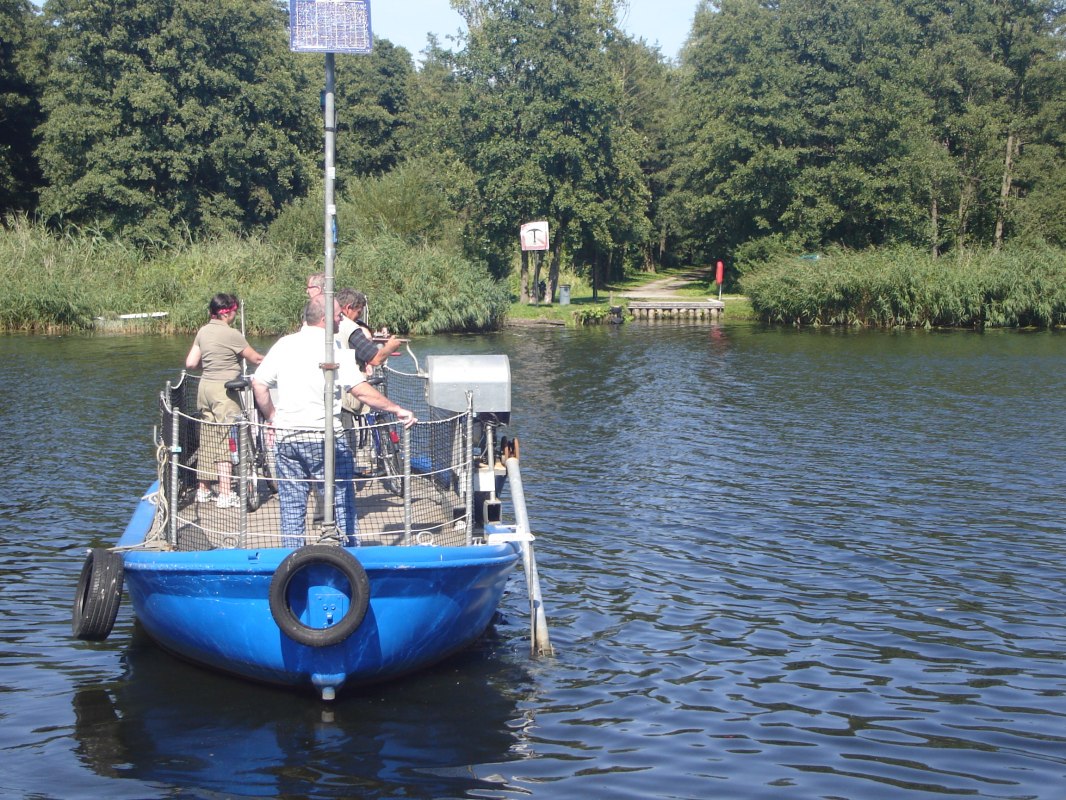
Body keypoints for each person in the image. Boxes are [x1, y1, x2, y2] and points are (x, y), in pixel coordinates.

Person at [252, 295, 417, 546]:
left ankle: (291, 560)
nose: (342, 319)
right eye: (339, 315)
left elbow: (259, 383)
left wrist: (273, 417)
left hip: (288, 440)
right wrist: (396, 409)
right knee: (340, 501)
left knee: (292, 508)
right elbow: (360, 389)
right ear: (326, 319)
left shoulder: (283, 344)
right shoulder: (333, 349)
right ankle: (348, 554)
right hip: (324, 438)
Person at [184, 293, 264, 508]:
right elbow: (255, 358)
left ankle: (203, 489)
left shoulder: (203, 331)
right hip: (224, 393)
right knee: (226, 441)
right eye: (234, 312)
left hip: (204, 389)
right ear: (227, 312)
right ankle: (226, 493)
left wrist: (211, 365)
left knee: (208, 439)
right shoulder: (232, 334)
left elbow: (191, 363)